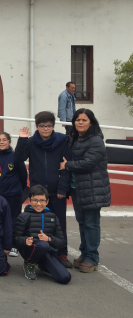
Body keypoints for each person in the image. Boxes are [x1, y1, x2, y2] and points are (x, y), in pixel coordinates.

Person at [15, 111, 71, 268]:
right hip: (38, 191)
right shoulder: (31, 142)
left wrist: (62, 188)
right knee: (36, 223)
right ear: (36, 126)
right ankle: (40, 253)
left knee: (59, 223)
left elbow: (66, 167)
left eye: (49, 126)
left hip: (56, 190)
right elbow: (19, 157)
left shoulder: (62, 141)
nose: (45, 128)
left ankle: (61, 253)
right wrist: (22, 139)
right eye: (42, 126)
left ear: (53, 126)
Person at [60, 108, 110, 273]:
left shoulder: (96, 140)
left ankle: (92, 258)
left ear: (91, 122)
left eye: (84, 120)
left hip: (92, 188)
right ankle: (85, 252)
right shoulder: (74, 138)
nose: (80, 122)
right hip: (77, 188)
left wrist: (67, 165)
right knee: (82, 222)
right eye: (77, 120)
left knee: (91, 223)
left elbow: (88, 163)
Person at [13, 185, 71, 284]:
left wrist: (48, 239)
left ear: (47, 201)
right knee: (42, 245)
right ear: (30, 201)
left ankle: (43, 264)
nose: (38, 203)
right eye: (35, 200)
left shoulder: (53, 217)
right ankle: (29, 264)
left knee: (64, 278)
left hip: (48, 252)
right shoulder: (23, 217)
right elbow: (15, 239)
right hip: (30, 250)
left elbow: (61, 242)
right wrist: (25, 241)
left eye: (42, 200)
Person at [0, 132, 28, 257]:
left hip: (14, 194)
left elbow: (23, 176)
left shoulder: (15, 156)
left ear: (9, 142)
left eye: (4, 140)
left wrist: (19, 189)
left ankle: (13, 245)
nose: (1, 142)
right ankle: (1, 243)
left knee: (14, 219)